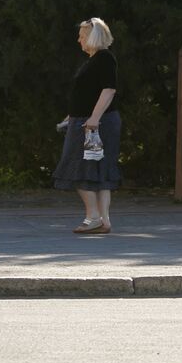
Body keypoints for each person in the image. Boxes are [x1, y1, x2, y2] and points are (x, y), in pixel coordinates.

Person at [54, 18, 121, 234]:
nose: (79, 40)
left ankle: (93, 217)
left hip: (92, 124)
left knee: (78, 167)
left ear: (93, 37)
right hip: (86, 121)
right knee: (98, 170)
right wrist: (70, 116)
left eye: (82, 36)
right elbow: (86, 94)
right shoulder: (95, 60)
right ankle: (103, 220)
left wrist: (93, 119)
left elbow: (108, 90)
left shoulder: (104, 58)